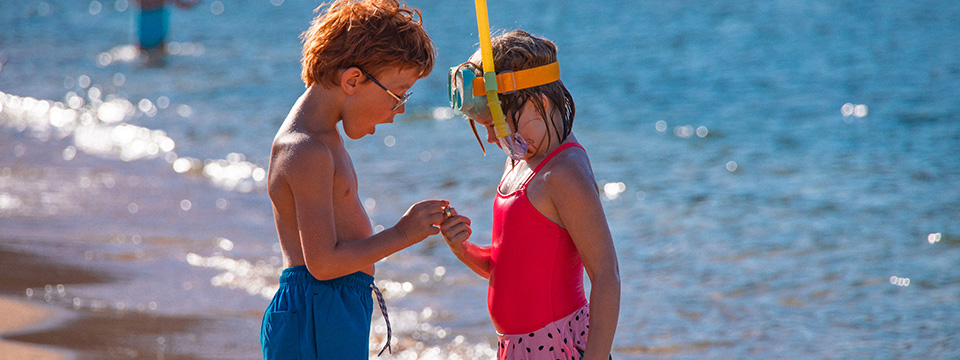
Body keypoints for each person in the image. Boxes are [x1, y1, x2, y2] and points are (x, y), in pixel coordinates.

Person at [260, 1, 440, 359]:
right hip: (315, 311)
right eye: (398, 94)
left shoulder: (323, 137)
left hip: (331, 305)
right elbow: (323, 264)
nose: (401, 108)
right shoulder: (306, 149)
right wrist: (401, 234)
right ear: (353, 80)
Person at [440, 30, 621, 360]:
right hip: (517, 348)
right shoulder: (518, 162)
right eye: (485, 127)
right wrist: (462, 248)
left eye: (498, 122)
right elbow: (507, 268)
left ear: (541, 103)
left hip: (558, 347)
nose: (493, 137)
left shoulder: (563, 173)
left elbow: (606, 276)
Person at [133, 0, 200, 52]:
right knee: (159, 54)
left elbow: (182, 5)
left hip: (149, 27)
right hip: (155, 27)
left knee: (143, 54)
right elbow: (182, 5)